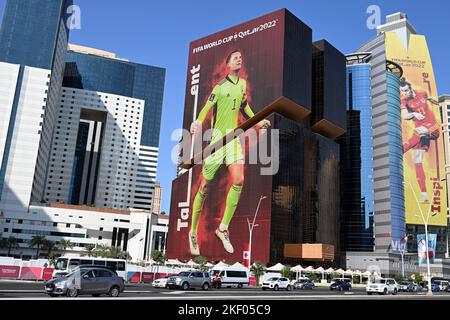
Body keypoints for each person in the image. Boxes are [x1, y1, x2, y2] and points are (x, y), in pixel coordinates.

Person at [188, 50, 270, 256]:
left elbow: (245, 108)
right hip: (217, 140)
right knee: (204, 187)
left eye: (241, 57)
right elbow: (207, 107)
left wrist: (258, 121)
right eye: (235, 57)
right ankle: (192, 232)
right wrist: (197, 122)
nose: (239, 59)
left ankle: (223, 228)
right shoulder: (220, 87)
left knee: (239, 179)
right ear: (227, 64)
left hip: (233, 140)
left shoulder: (242, 85)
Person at [400, 78, 440, 203]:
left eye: (406, 90)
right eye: (402, 92)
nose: (404, 93)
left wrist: (437, 102)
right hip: (420, 134)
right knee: (417, 161)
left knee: (418, 133)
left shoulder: (422, 93)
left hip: (432, 128)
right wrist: (414, 114)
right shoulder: (404, 101)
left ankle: (397, 151)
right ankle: (424, 195)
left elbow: (432, 99)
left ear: (410, 88)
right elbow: (405, 115)